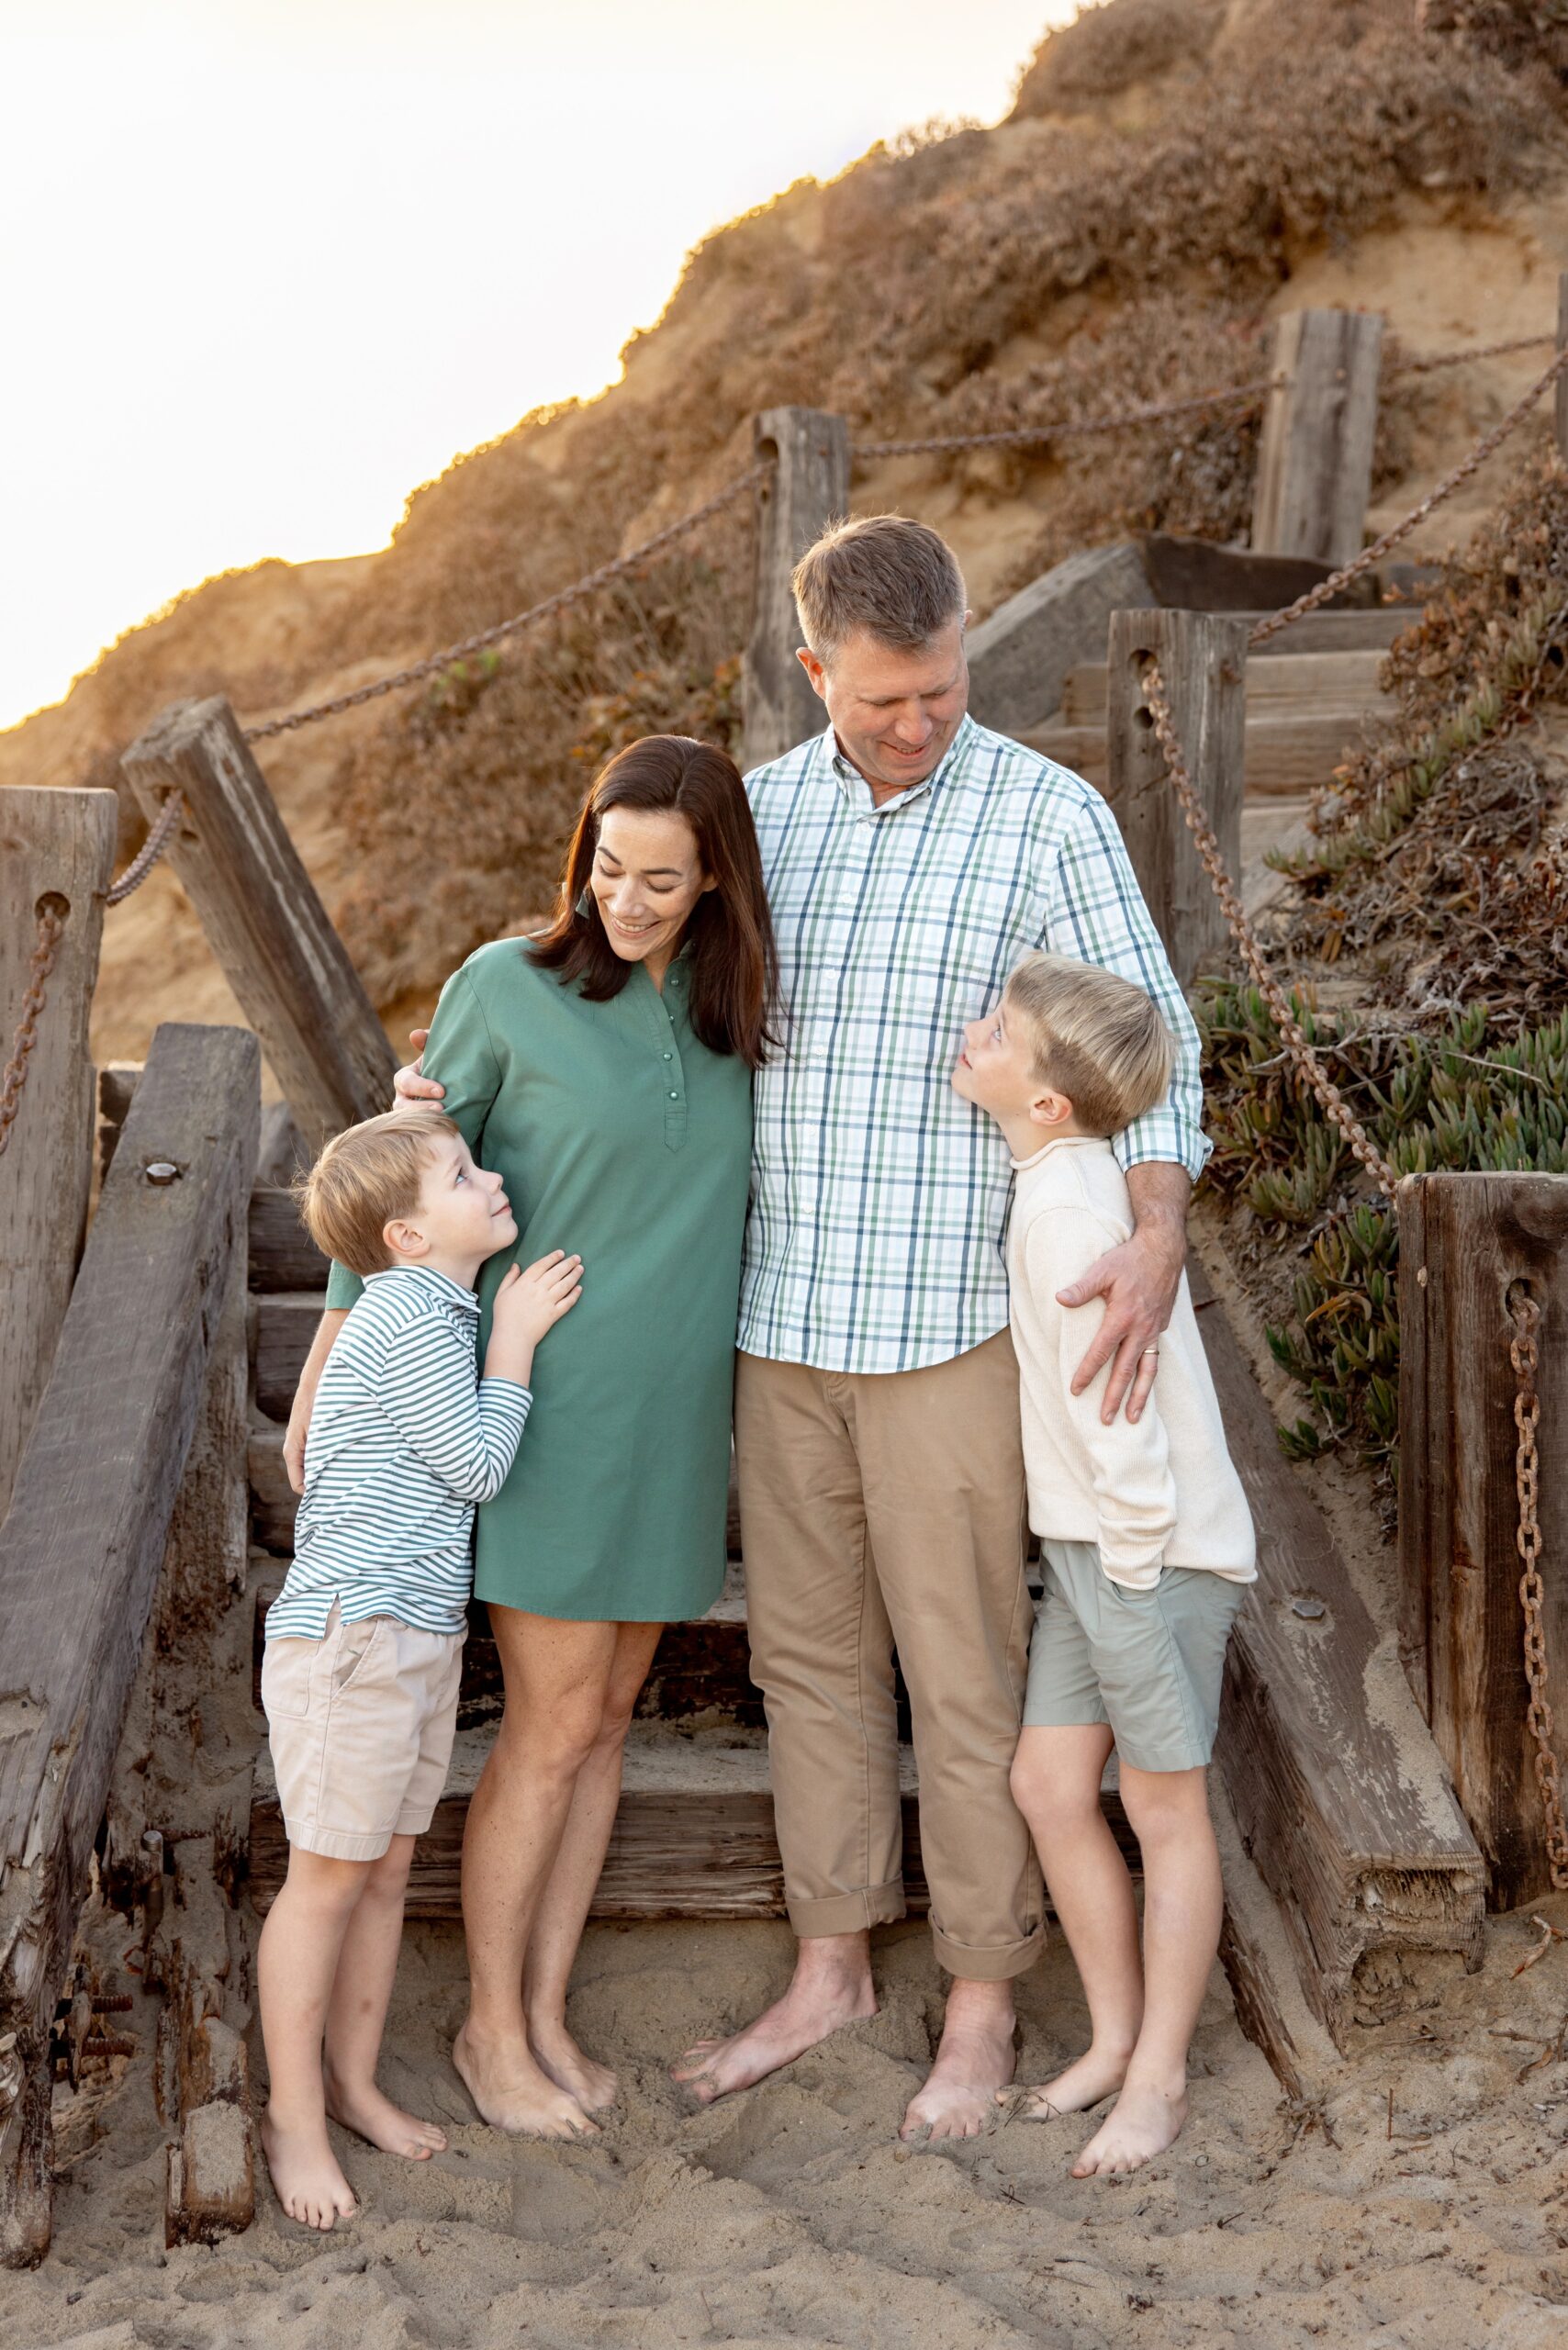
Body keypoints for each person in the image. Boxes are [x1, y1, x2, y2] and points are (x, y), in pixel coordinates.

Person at [672, 514, 1211, 2141]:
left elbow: (1157, 1041)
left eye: (943, 686)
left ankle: (979, 1998)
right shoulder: (755, 819)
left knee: (965, 1678)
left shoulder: (1043, 811)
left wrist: (1158, 1226)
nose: (920, 721)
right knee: (810, 1662)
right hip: (780, 1322)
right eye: (883, 697)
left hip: (953, 1326)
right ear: (811, 665)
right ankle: (829, 1960)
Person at [285, 734, 777, 2140]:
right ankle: (492, 2030)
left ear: (713, 884)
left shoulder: (738, 1003)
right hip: (541, 1410)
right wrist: (327, 1365)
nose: (626, 900)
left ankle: (547, 2010)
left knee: (607, 1724)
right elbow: (394, 1186)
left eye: (662, 881)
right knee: (551, 1728)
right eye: (608, 868)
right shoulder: (504, 988)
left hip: (675, 1420)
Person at [951, 952, 1255, 2175]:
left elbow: (1116, 1414)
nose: (976, 1032)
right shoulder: (1051, 1182)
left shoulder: (1074, 1210)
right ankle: (1116, 2038)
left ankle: (1162, 2078)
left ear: (1049, 1102)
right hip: (1094, 1550)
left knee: (1165, 1807)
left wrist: (1128, 1567)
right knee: (1046, 1785)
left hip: (1153, 1555)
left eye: (999, 1031)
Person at [258, 1106, 580, 2229]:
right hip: (354, 1640)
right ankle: (291, 2116)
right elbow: (481, 1465)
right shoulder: (405, 1319)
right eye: (459, 1172)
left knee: (388, 1874)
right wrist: (519, 1336)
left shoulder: (431, 1305)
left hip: (411, 1634)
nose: (490, 1176)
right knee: (329, 1880)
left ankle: (351, 2087)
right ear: (405, 1235)